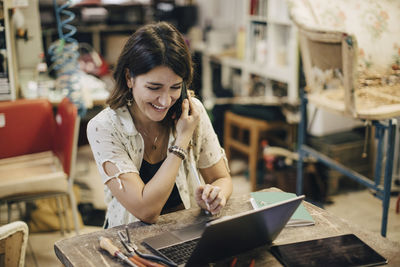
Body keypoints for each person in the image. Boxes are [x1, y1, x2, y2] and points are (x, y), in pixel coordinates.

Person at [87, 21, 232, 228]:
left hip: (187, 230)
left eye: (175, 87)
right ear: (129, 78)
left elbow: (221, 179)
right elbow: (147, 211)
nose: (165, 101)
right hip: (131, 240)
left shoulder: (191, 112)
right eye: (154, 88)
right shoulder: (104, 127)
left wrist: (216, 196)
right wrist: (181, 142)